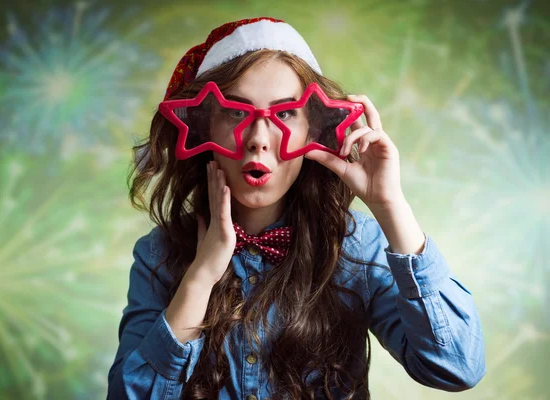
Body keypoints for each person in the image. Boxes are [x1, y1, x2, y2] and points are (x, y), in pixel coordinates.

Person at [107, 17, 486, 400]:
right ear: (205, 126)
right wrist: (201, 277)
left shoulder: (357, 248)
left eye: (285, 114)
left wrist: (390, 206)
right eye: (236, 112)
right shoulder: (158, 253)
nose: (258, 139)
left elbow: (457, 366)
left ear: (313, 129)